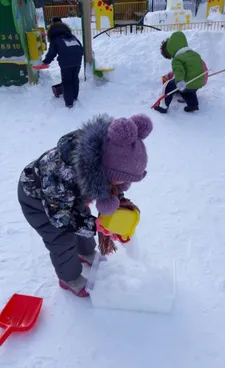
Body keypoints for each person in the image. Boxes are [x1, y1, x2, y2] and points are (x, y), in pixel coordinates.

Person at [18, 114, 153, 297]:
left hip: (70, 194)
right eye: (121, 179)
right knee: (62, 239)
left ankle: (85, 251)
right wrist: (94, 225)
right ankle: (69, 277)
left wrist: (117, 203)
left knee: (82, 214)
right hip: (38, 199)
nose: (122, 184)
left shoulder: (105, 158)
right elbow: (61, 217)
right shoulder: (60, 174)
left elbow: (110, 185)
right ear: (106, 171)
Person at [154, 31, 208, 114]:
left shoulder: (177, 59)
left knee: (167, 86)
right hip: (198, 82)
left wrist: (179, 81)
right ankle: (193, 105)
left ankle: (163, 107)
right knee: (188, 91)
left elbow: (179, 71)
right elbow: (200, 67)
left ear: (171, 49)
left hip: (186, 82)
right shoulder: (195, 54)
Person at [42, 19, 84, 108]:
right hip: (78, 60)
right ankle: (74, 97)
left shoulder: (55, 38)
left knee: (67, 81)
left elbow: (51, 53)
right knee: (74, 78)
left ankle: (69, 103)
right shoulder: (72, 36)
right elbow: (81, 48)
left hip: (66, 62)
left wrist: (46, 62)